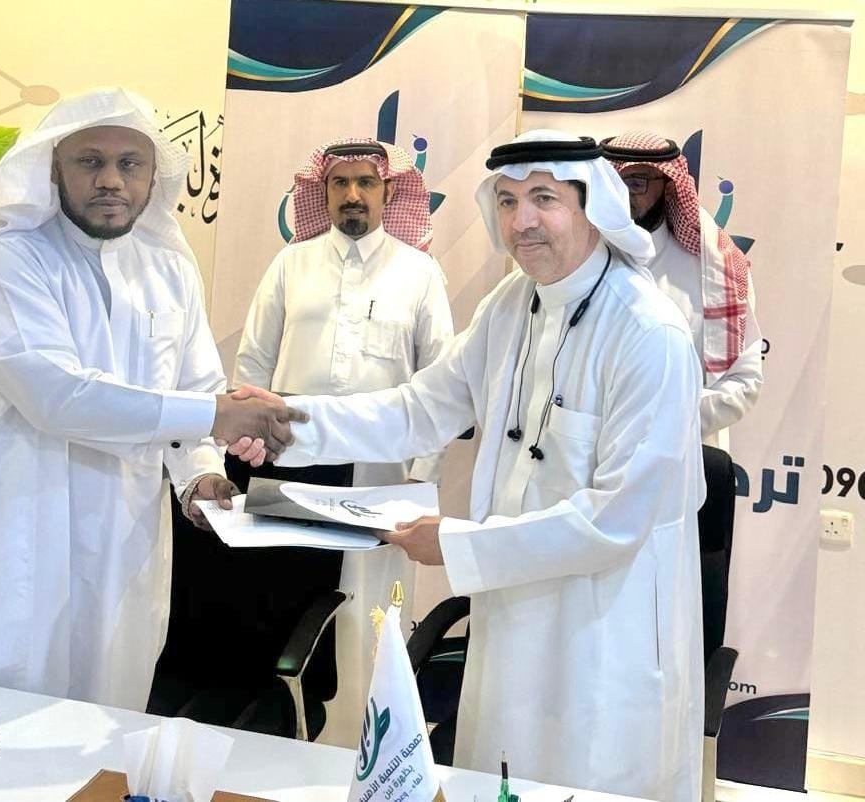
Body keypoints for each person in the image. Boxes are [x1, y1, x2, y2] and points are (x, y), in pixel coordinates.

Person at [231, 129, 706, 801]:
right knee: (497, 776)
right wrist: (288, 420)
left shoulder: (649, 333)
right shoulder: (509, 306)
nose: (522, 221)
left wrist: (456, 544)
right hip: (511, 611)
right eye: (507, 201)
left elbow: (617, 520)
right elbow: (418, 408)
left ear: (594, 207)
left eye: (544, 198)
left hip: (604, 632)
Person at [0, 87, 303, 711]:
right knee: (0, 716)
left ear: (153, 175)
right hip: (14, 529)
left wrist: (199, 477)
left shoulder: (169, 268)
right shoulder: (6, 260)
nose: (111, 180)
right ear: (54, 168)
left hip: (124, 537)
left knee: (108, 710)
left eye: (129, 163)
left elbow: (193, 385)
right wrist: (218, 415)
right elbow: (55, 395)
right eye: (90, 161)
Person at [228, 139, 454, 743]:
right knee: (283, 606)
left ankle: (362, 745)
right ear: (322, 191)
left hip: (380, 479)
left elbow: (440, 385)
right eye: (339, 183)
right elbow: (253, 363)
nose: (352, 195)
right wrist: (250, 448)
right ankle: (283, 740)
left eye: (366, 183)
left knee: (366, 613)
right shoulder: (290, 264)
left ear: (388, 191)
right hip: (290, 471)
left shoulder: (420, 273)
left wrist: (419, 476)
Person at [601, 131, 762, 448]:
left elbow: (743, 381)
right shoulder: (575, 263)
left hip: (682, 455)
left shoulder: (715, 269)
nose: (620, 195)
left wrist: (654, 422)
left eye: (635, 183)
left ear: (668, 185)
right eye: (611, 182)